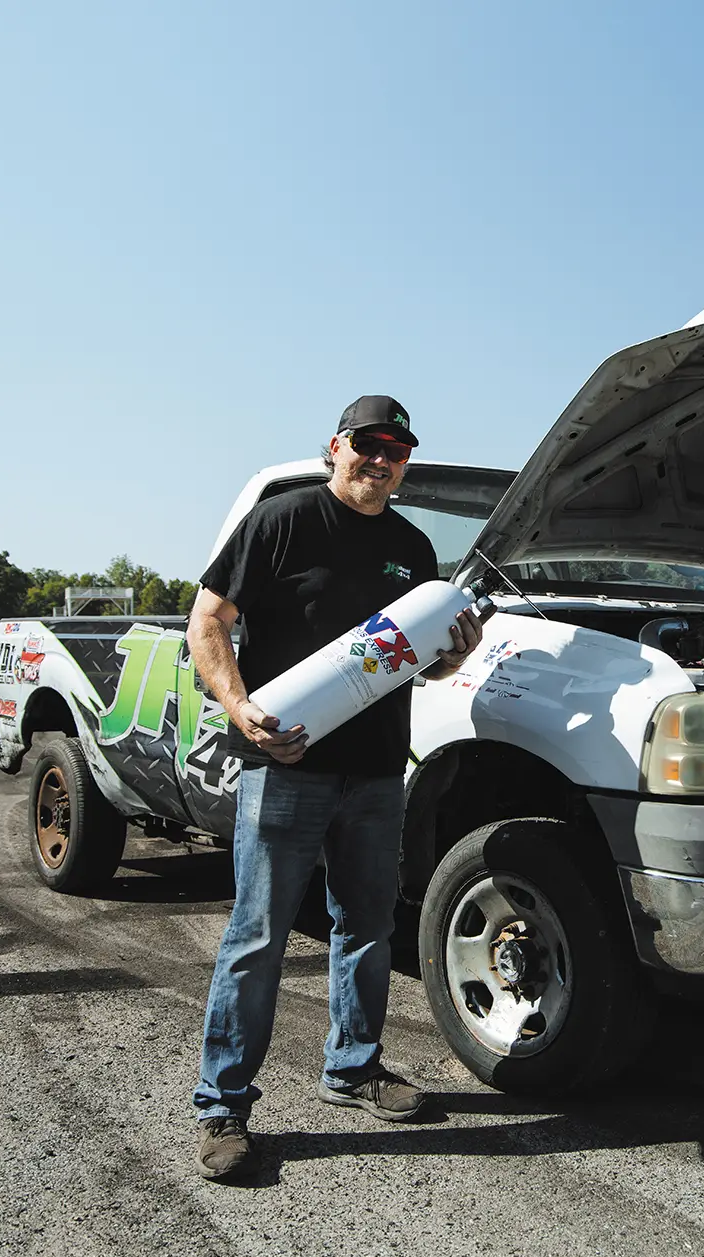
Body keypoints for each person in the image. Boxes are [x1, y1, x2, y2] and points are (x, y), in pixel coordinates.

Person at [188, 395, 482, 1182]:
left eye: (396, 450)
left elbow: (416, 660)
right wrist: (241, 709)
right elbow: (208, 622)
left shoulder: (412, 547)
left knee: (367, 926)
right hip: (285, 763)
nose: (379, 460)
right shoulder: (282, 521)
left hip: (377, 769)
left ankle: (352, 1068)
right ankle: (223, 1103)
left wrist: (455, 652)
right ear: (336, 446)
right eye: (367, 444)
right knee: (258, 936)